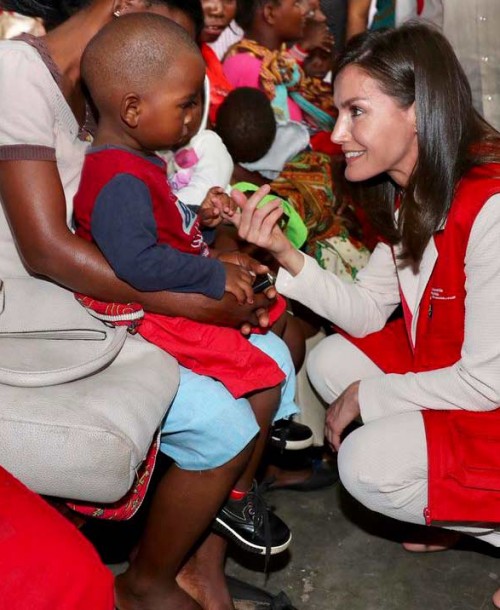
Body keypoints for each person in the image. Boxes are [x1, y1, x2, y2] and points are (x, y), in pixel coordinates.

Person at [0, 1, 294, 609]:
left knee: (274, 343)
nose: (193, 114)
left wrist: (212, 242)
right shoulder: (22, 76)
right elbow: (51, 253)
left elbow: (147, 223)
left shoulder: (108, 105)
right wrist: (202, 287)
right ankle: (154, 576)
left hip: (108, 295)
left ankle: (196, 559)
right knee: (226, 417)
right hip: (46, 319)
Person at [228, 22, 500, 608]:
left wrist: (368, 399)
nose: (338, 134)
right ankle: (450, 515)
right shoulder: (410, 190)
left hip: (490, 391)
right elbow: (367, 310)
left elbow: (488, 381)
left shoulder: (492, 207)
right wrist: (283, 252)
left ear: (418, 112)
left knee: (365, 466)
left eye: (356, 112)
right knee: (331, 362)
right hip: (471, 379)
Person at [74, 10, 297, 555]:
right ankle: (235, 492)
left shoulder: (135, 161)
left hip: (172, 296)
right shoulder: (119, 178)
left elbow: (160, 225)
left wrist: (202, 216)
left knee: (273, 310)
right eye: (186, 104)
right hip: (154, 318)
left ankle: (271, 430)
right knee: (262, 368)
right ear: (132, 109)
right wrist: (211, 271)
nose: (195, 117)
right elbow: (140, 264)